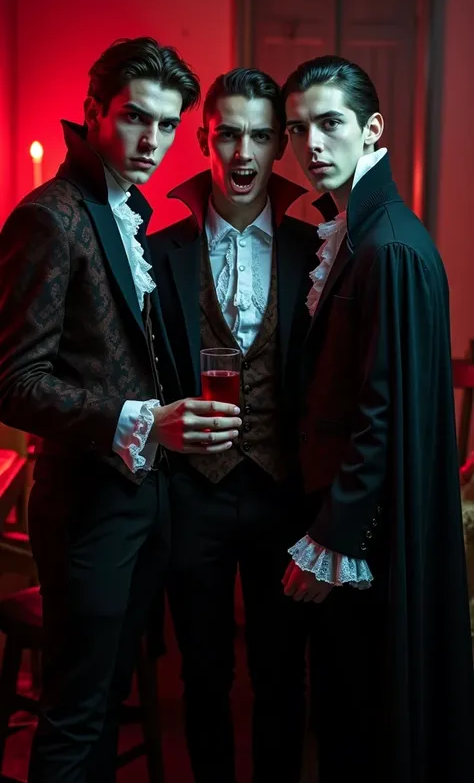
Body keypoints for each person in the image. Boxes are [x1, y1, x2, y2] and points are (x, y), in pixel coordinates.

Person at [0, 36, 241, 783]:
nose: (153, 142)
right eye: (137, 118)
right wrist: (139, 419)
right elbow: (11, 379)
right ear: (93, 112)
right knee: (75, 716)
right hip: (84, 507)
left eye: (169, 126)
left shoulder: (129, 208)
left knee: (107, 702)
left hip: (146, 498)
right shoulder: (50, 216)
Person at [281, 54, 474, 783]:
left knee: (365, 723)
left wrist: (331, 541)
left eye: (330, 125)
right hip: (354, 525)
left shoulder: (389, 245)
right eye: (299, 130)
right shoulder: (361, 230)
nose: (312, 147)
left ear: (372, 128)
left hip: (366, 539)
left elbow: (380, 413)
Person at [148, 67, 318, 783]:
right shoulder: (159, 254)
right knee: (204, 675)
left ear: (280, 143)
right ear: (203, 139)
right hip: (196, 494)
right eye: (227, 134)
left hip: (284, 494)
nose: (242, 152)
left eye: (258, 135)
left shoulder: (317, 251)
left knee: (282, 675)